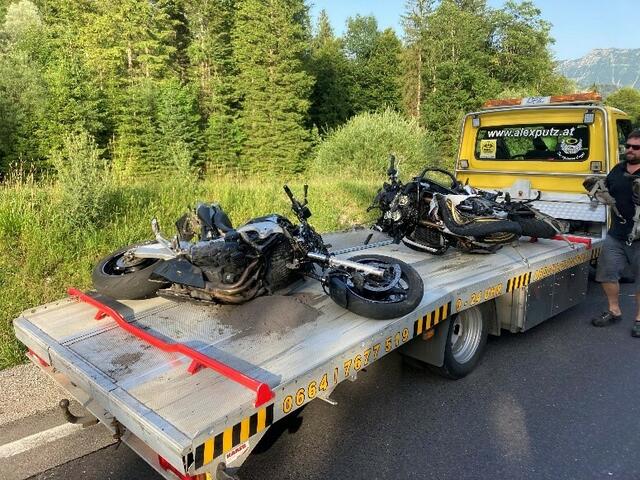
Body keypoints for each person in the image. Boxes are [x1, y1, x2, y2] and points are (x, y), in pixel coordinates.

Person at [592, 129, 640, 337]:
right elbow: (607, 190)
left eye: (635, 147)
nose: (629, 150)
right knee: (606, 274)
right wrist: (598, 191)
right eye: (628, 146)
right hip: (616, 234)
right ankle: (614, 310)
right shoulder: (618, 169)